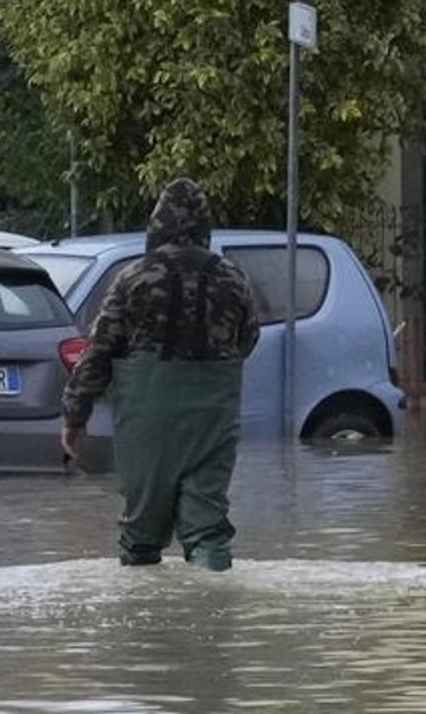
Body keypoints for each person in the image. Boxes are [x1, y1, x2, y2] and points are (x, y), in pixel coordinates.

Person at [60, 177, 259, 571]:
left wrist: (75, 414)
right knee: (207, 526)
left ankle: (145, 620)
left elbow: (99, 350)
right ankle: (213, 610)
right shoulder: (233, 279)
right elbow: (247, 341)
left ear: (157, 226)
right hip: (212, 417)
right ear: (205, 228)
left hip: (148, 419)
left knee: (142, 530)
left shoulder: (133, 278)